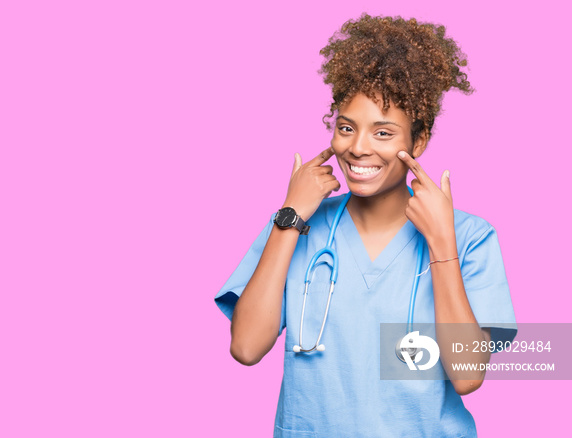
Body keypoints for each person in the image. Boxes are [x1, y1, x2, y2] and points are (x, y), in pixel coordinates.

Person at [214, 14, 517, 438]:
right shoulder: (298, 224)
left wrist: (441, 244)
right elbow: (246, 347)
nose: (358, 148)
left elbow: (467, 376)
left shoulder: (470, 237)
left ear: (420, 140)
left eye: (383, 132)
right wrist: (290, 217)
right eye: (346, 127)